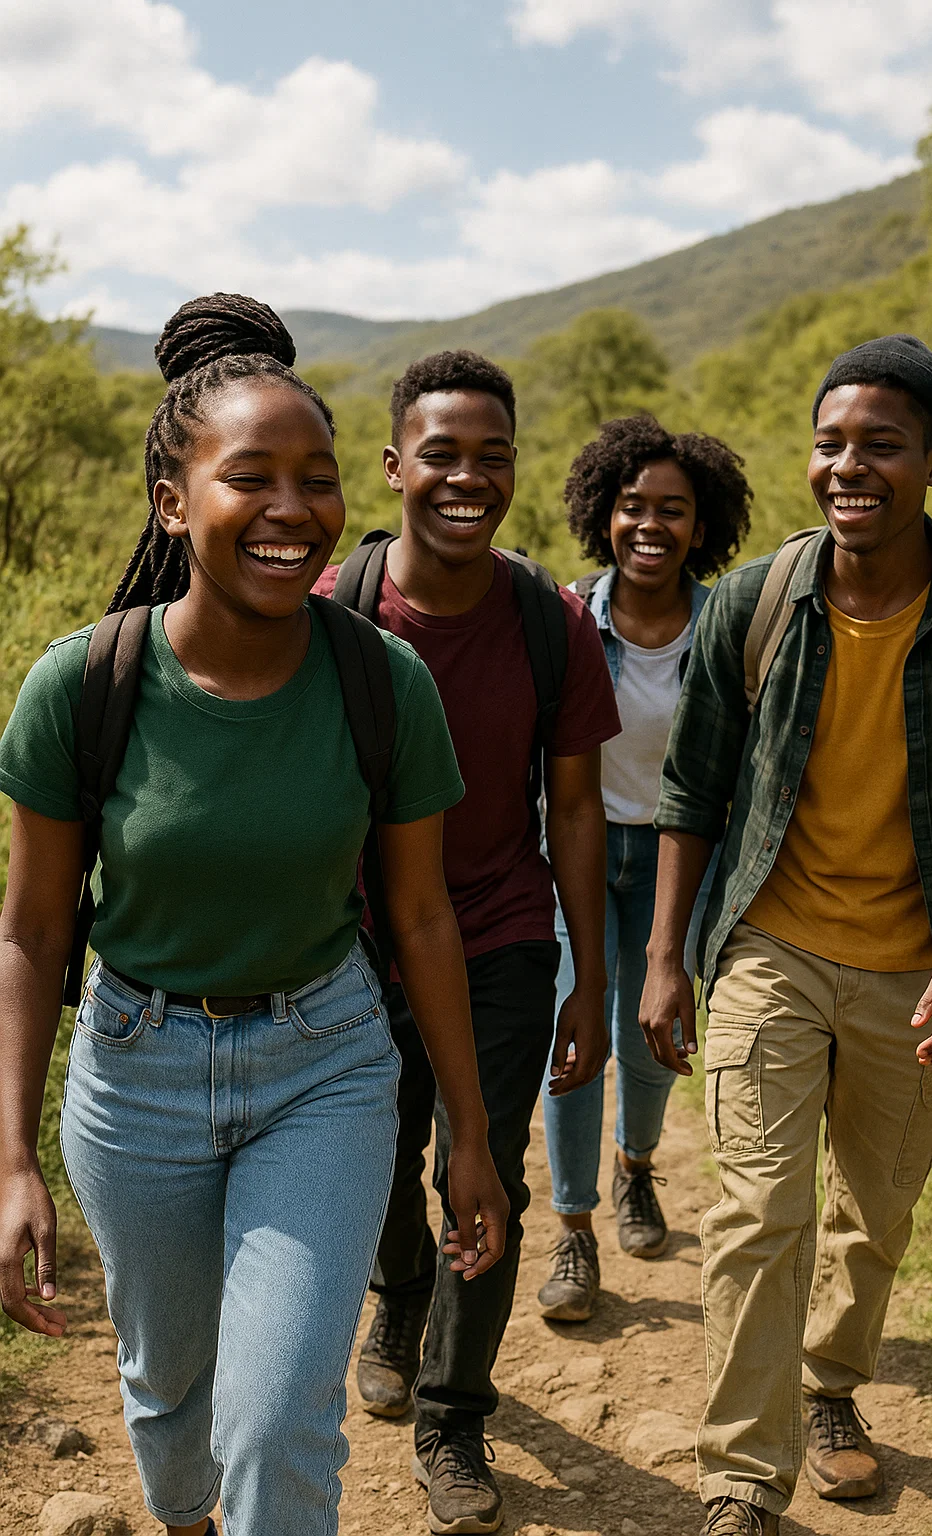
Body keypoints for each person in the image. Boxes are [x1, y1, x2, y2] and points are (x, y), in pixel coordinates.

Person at [0, 297, 508, 1536]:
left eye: (317, 479)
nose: (293, 509)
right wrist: (12, 1154)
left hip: (323, 1068)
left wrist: (473, 1137)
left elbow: (423, 916)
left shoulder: (381, 683)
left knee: (277, 1421)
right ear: (175, 502)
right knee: (170, 1399)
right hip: (136, 1076)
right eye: (251, 477)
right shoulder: (86, 683)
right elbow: (31, 930)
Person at [640, 334, 932, 1536]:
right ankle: (741, 1482)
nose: (847, 465)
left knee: (874, 1211)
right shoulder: (756, 602)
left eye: (881, 445)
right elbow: (692, 792)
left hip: (922, 963)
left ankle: (830, 1389)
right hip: (772, 947)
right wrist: (664, 960)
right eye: (829, 443)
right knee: (759, 1213)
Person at [313, 349, 619, 1535]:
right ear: (394, 467)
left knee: (478, 1167)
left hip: (495, 933)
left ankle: (452, 1416)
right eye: (441, 454)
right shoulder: (332, 611)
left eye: (491, 456)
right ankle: (397, 1296)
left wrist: (590, 977)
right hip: (347, 948)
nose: (466, 477)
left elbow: (577, 806)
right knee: (377, 1165)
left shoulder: (546, 624)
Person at [536, 416, 752, 1323]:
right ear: (604, 515)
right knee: (573, 1036)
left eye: (673, 509)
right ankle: (574, 1230)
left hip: (680, 858)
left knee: (657, 1031)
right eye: (632, 507)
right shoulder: (567, 617)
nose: (651, 525)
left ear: (703, 526)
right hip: (574, 853)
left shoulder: (730, 626)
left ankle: (636, 1168)